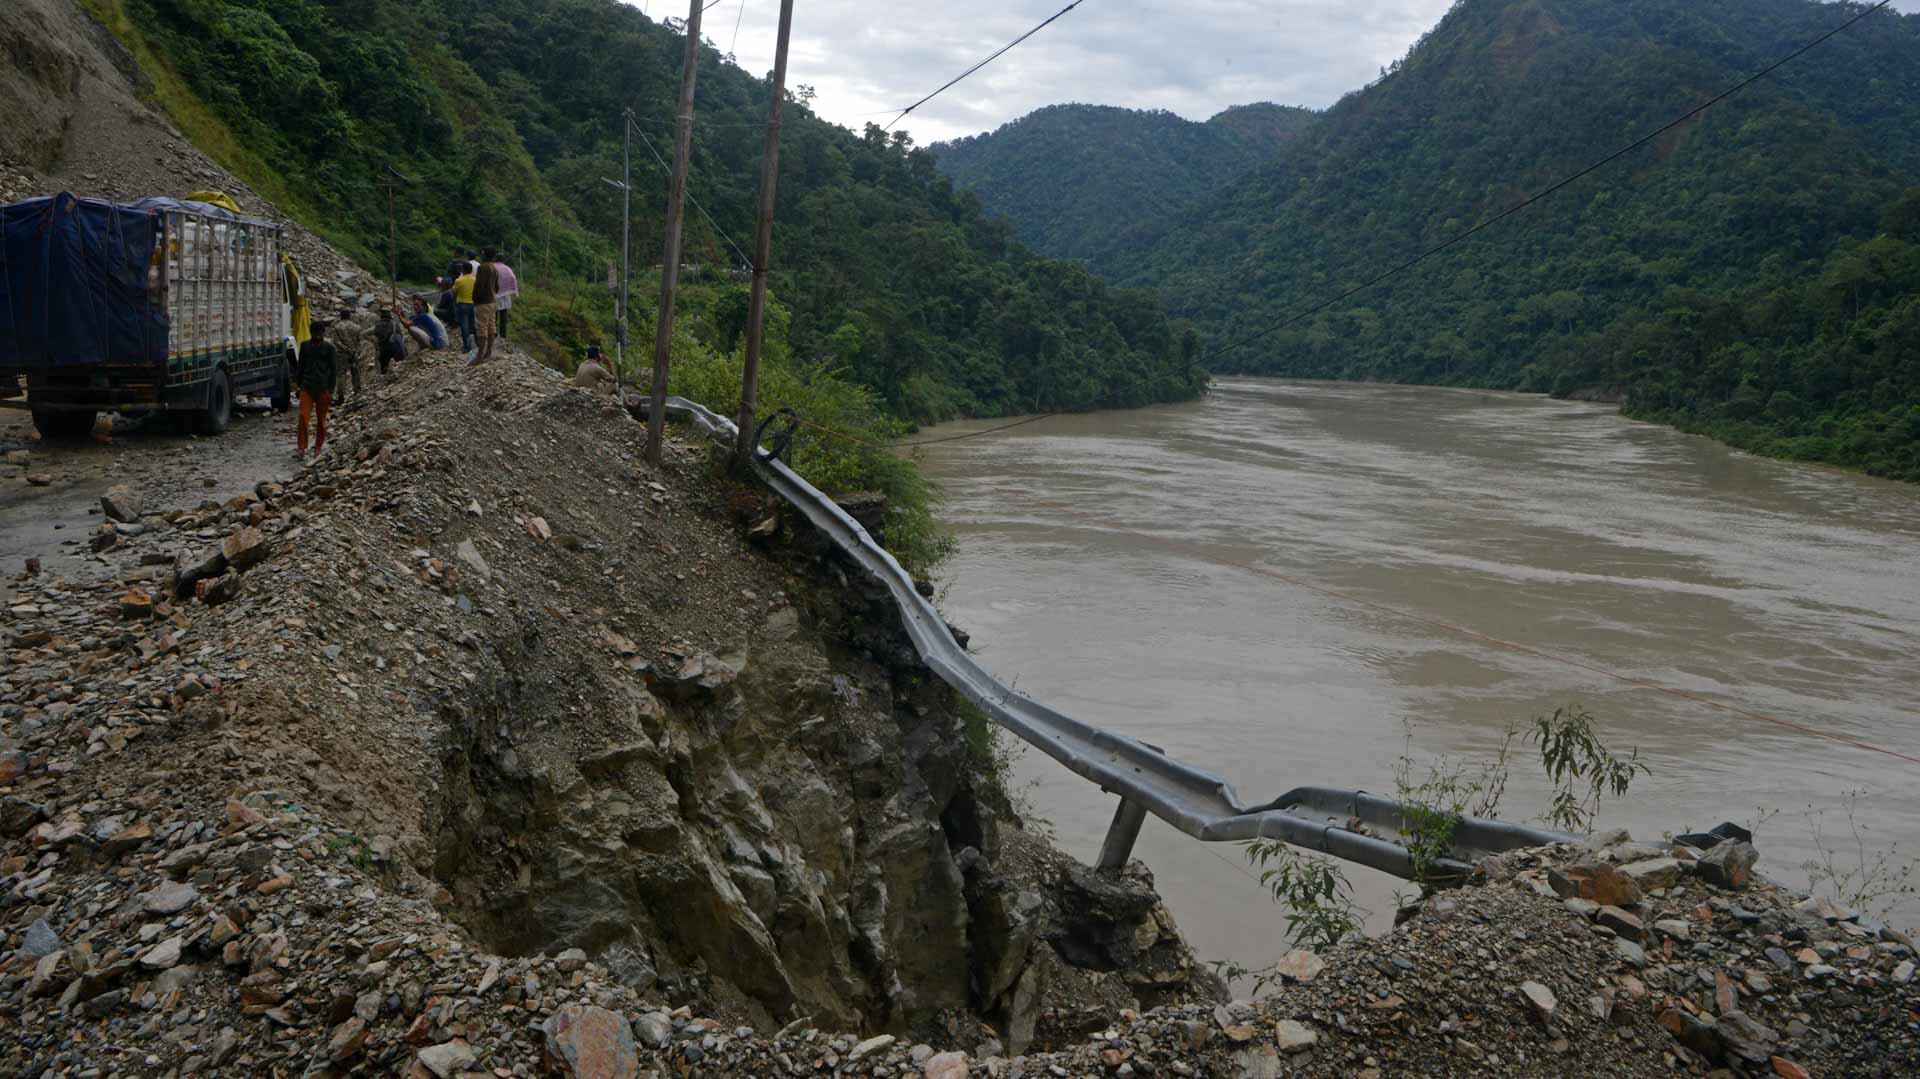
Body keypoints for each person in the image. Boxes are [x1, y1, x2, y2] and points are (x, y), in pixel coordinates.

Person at [295, 321, 338, 459]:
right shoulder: (305, 346)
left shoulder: (329, 348)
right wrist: (298, 386)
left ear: (323, 333)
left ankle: (318, 447)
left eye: (320, 333)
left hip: (323, 388)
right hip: (307, 387)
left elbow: (333, 370)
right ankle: (301, 448)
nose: (318, 335)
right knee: (303, 417)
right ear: (311, 333)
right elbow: (300, 367)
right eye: (315, 333)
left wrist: (330, 390)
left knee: (321, 419)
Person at [328, 306, 367, 405]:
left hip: (341, 354)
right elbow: (361, 342)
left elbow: (336, 341)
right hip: (354, 353)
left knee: (341, 375)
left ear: (341, 316)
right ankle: (357, 393)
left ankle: (340, 397)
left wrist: (346, 349)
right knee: (356, 373)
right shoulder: (357, 327)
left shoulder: (337, 327)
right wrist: (355, 351)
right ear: (350, 316)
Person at [468, 248, 500, 365]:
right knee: (491, 327)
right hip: (492, 301)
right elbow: (497, 287)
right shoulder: (494, 268)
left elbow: (479, 285)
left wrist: (475, 298)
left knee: (481, 328)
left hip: (483, 302)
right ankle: (488, 352)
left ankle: (479, 356)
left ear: (485, 255)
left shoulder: (483, 267)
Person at [373, 306, 406, 379]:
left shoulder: (377, 325)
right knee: (401, 363)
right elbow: (400, 335)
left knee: (383, 364)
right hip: (394, 347)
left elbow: (376, 336)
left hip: (383, 348)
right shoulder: (394, 324)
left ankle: (383, 376)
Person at [452, 265, 476, 353]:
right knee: (472, 325)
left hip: (462, 304)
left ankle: (466, 346)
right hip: (473, 304)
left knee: (464, 326)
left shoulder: (459, 280)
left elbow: (454, 292)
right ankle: (474, 344)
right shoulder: (475, 280)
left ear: (463, 270)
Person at [494, 255, 519, 339]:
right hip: (505, 295)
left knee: (494, 316)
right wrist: (511, 288)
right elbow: (512, 277)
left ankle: (494, 333)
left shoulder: (492, 267)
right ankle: (503, 335)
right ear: (503, 260)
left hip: (494, 294)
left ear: (495, 259)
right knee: (503, 316)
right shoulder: (507, 268)